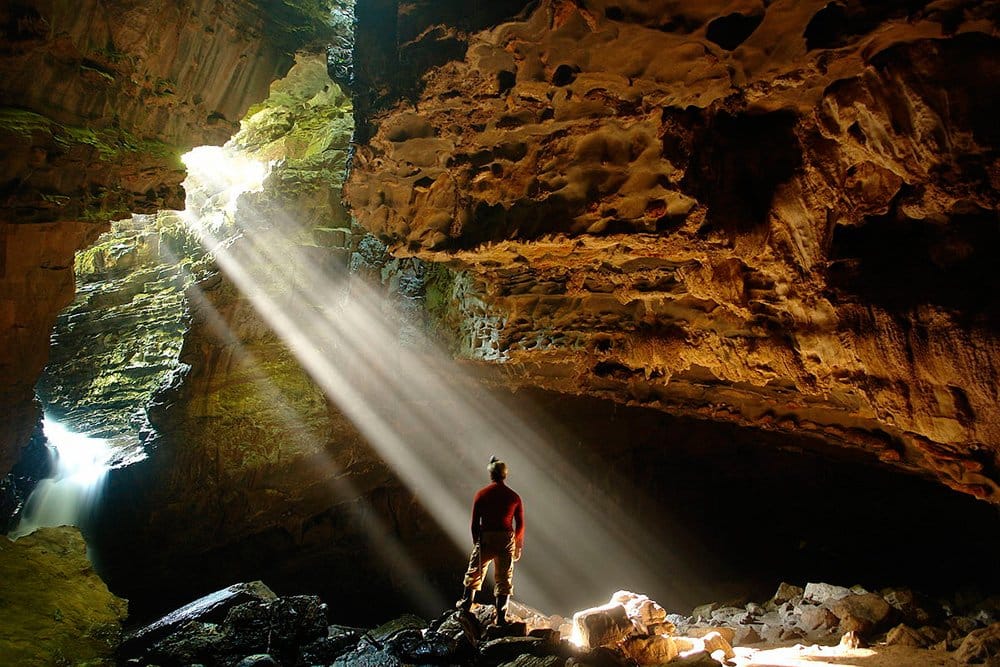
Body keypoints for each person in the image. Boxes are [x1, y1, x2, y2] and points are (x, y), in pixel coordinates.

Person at [457, 455, 524, 624]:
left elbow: (474, 523)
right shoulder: (514, 497)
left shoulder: (482, 494)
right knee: (504, 578)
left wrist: (476, 542)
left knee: (474, 572)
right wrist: (518, 545)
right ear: (505, 475)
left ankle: (465, 607)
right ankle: (501, 617)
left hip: (486, 537)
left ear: (491, 475)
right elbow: (520, 524)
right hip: (506, 538)